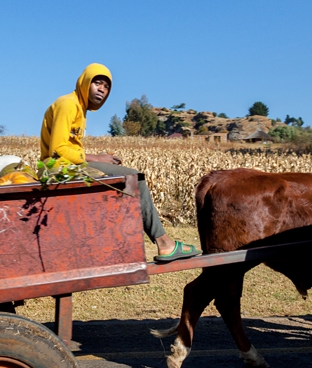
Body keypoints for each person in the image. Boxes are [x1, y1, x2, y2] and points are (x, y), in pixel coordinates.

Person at [40, 62, 201, 262]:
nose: (102, 89)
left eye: (106, 87)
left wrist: (98, 157)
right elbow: (57, 149)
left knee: (125, 176)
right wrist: (97, 159)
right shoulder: (68, 104)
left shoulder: (80, 109)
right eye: (97, 83)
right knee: (135, 178)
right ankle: (164, 244)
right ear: (84, 82)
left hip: (69, 165)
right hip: (58, 168)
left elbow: (69, 147)